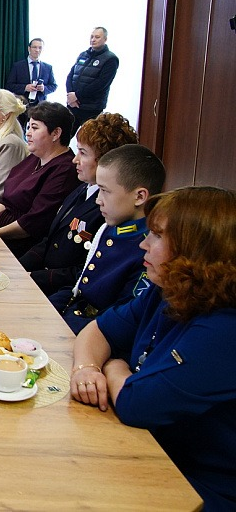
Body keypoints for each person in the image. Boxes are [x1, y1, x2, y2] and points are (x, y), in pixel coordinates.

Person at [71, 187, 236, 509]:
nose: (143, 243)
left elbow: (136, 404)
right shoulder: (169, 291)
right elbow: (97, 330)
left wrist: (113, 365)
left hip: (197, 485)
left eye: (157, 236)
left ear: (196, 251)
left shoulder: (224, 328)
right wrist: (87, 368)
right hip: (147, 448)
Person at [49, 144, 165, 333]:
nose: (98, 200)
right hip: (75, 317)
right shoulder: (110, 228)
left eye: (105, 191)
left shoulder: (146, 247)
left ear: (139, 196)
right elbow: (80, 288)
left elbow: (122, 320)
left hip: (96, 334)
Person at [19, 113, 139, 295]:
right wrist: (17, 266)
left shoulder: (109, 208)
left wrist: (31, 278)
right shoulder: (83, 188)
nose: (75, 159)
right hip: (42, 279)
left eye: (83, 153)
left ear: (106, 161)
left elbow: (84, 271)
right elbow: (50, 241)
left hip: (61, 290)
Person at [0, 101, 81, 257]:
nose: (28, 133)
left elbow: (33, 224)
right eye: (28, 127)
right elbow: (6, 201)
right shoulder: (35, 157)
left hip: (20, 245)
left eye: (35, 128)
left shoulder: (65, 170)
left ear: (56, 133)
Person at [66, 26, 119, 131]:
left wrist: (77, 96)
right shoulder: (83, 55)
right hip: (73, 105)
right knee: (64, 136)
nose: (93, 39)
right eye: (92, 37)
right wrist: (70, 95)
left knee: (89, 138)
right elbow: (71, 76)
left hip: (91, 108)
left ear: (105, 39)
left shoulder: (111, 59)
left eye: (97, 37)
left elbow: (101, 84)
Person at [5, 38, 56, 106]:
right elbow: (9, 85)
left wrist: (44, 88)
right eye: (34, 47)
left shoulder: (48, 67)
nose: (37, 50)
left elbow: (53, 86)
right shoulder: (17, 66)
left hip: (41, 106)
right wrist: (25, 87)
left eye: (40, 48)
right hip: (21, 104)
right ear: (29, 48)